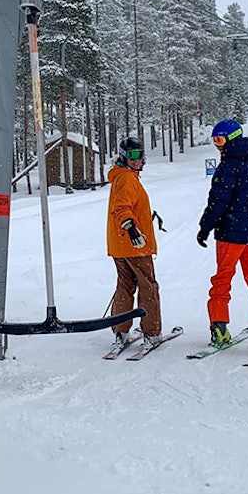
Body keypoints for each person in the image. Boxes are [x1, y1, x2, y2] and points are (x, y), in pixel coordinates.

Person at [196, 120, 248, 350]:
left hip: (230, 236)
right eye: (214, 141)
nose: (217, 146)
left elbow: (218, 202)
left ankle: (219, 329)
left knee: (222, 280)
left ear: (232, 138)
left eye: (220, 140)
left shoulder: (228, 167)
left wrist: (205, 227)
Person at [106, 135, 162, 350]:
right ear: (123, 156)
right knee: (148, 286)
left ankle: (120, 330)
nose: (137, 160)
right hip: (135, 245)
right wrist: (131, 228)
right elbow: (122, 208)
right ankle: (151, 332)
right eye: (132, 156)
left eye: (140, 155)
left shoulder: (122, 177)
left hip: (120, 245)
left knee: (125, 285)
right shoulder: (127, 179)